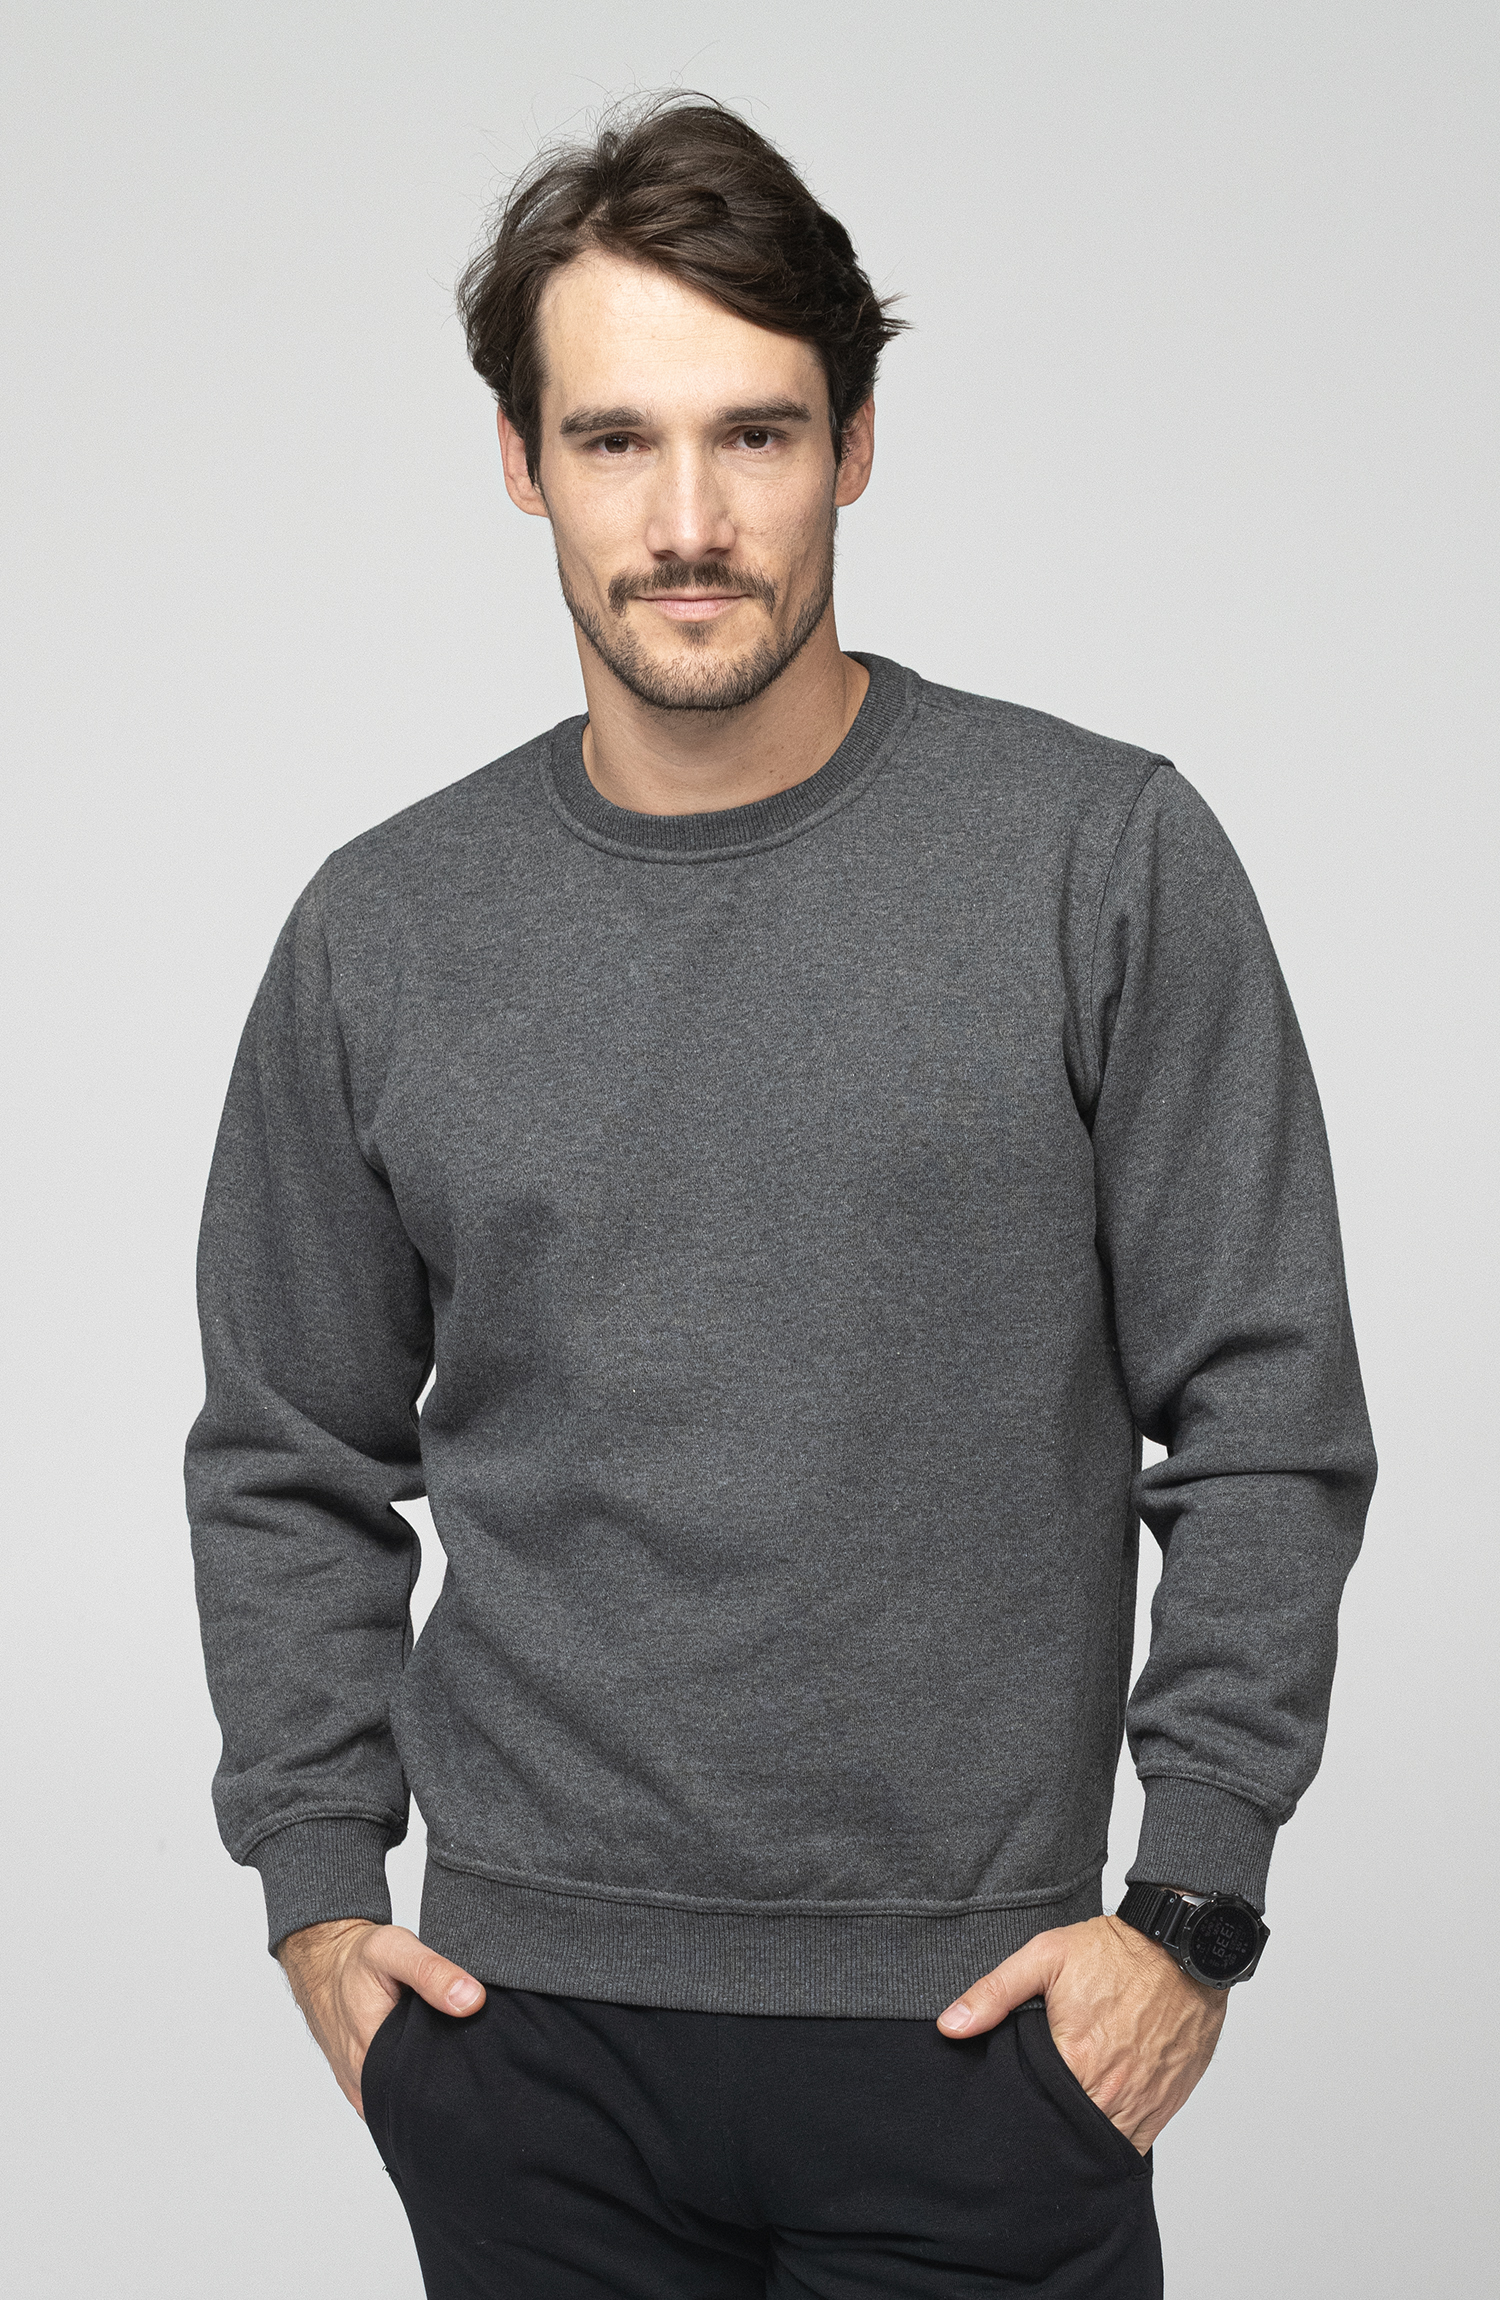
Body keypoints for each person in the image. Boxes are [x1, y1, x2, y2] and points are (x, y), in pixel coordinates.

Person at [187, 94, 1376, 2299]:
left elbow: (1271, 1411)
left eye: (755, 434)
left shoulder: (1099, 860)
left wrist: (1193, 1907)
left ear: (855, 445)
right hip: (525, 2047)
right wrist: (319, 1893)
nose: (690, 520)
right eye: (616, 441)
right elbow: (283, 1448)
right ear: (523, 463)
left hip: (979, 2039)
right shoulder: (386, 928)